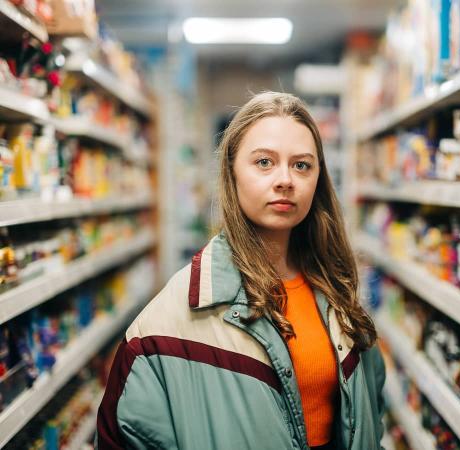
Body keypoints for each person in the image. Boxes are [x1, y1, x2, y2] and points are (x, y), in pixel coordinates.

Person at [96, 91, 385, 450]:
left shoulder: (338, 292)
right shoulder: (163, 326)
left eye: (302, 165)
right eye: (264, 162)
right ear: (232, 172)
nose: (285, 180)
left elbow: (370, 413)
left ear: (318, 179)